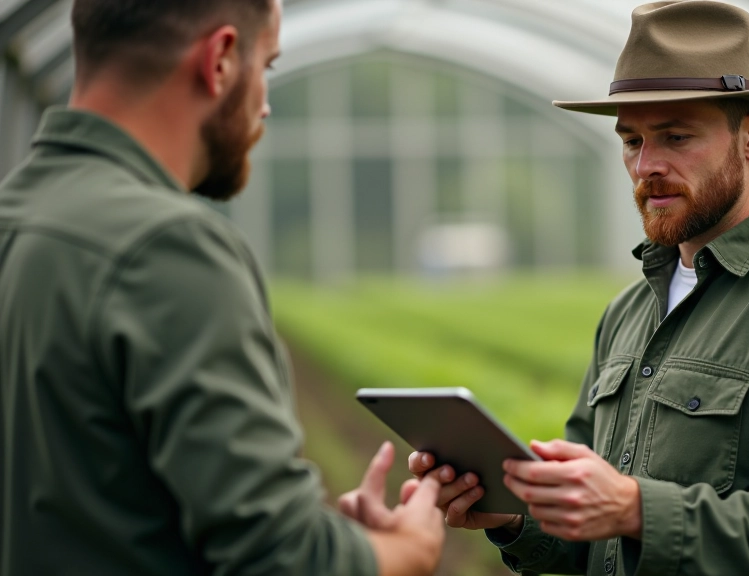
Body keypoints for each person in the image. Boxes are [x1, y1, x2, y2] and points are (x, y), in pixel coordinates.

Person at [409, 1, 749, 575]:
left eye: (675, 136)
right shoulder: (630, 310)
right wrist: (515, 518)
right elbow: (593, 536)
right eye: (631, 141)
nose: (647, 165)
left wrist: (637, 509)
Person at [0, 1, 444, 575]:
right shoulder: (166, 247)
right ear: (220, 60)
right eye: (268, 67)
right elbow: (282, 562)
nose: (263, 104)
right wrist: (405, 551)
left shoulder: (16, 216)